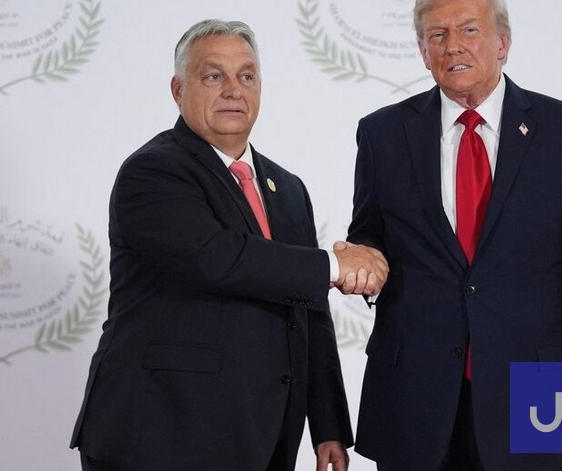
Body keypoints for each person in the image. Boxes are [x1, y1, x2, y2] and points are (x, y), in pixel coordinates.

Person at [70, 19, 388, 471]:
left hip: (262, 436)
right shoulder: (153, 172)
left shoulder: (288, 188)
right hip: (160, 434)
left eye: (247, 76)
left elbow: (307, 312)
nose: (233, 90)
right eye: (213, 75)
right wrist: (336, 266)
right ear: (178, 89)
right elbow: (219, 258)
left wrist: (328, 423)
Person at [344, 0, 562, 470]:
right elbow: (370, 234)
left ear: (503, 43)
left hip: (534, 403)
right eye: (437, 35)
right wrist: (361, 258)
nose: (453, 45)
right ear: (423, 51)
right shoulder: (382, 134)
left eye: (469, 30)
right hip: (414, 399)